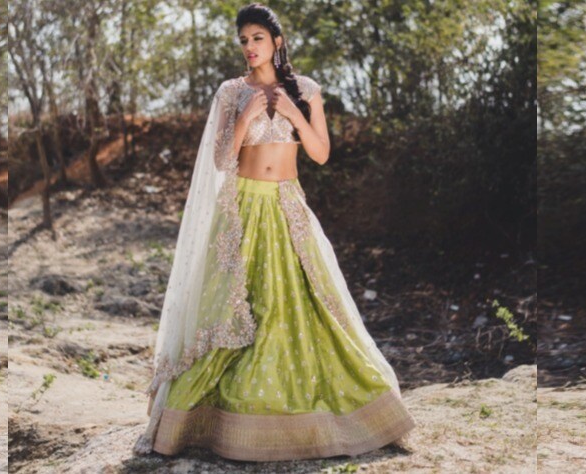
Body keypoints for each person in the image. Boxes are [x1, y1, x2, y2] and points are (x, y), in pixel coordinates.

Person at [133, 3, 416, 461]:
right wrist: (246, 117)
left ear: (277, 42)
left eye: (257, 38)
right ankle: (208, 423)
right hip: (243, 208)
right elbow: (220, 160)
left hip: (286, 205)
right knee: (234, 308)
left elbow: (320, 153)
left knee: (304, 304)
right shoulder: (231, 92)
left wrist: (293, 113)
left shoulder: (305, 89)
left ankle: (323, 417)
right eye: (244, 40)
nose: (249, 47)